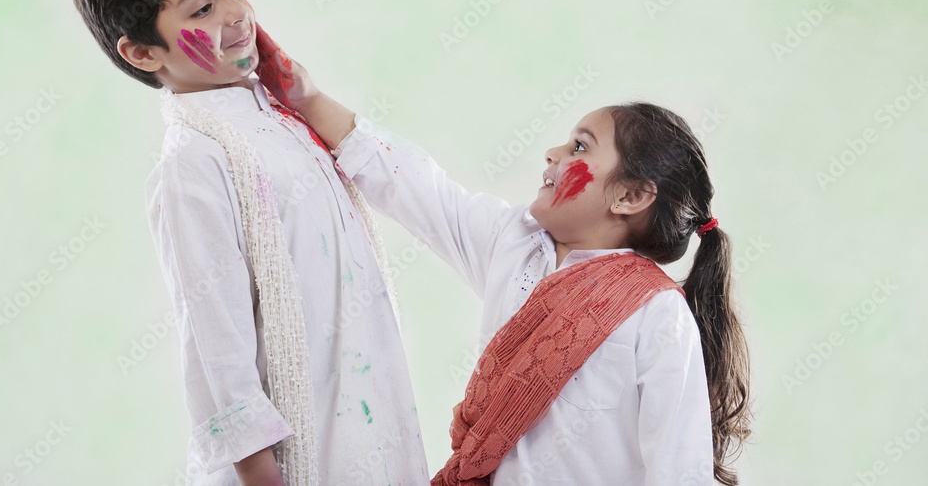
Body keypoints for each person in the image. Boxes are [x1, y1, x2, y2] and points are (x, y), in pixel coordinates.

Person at [252, 33, 753, 485]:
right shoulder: (514, 244)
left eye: (580, 146)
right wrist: (309, 100)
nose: (554, 153)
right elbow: (417, 188)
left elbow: (679, 470)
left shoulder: (655, 313)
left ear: (630, 197)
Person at [72, 0, 429, 486]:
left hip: (362, 423)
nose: (237, 13)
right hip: (293, 463)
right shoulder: (194, 163)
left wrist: (305, 96)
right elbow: (220, 362)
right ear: (143, 53)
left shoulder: (282, 112)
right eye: (202, 8)